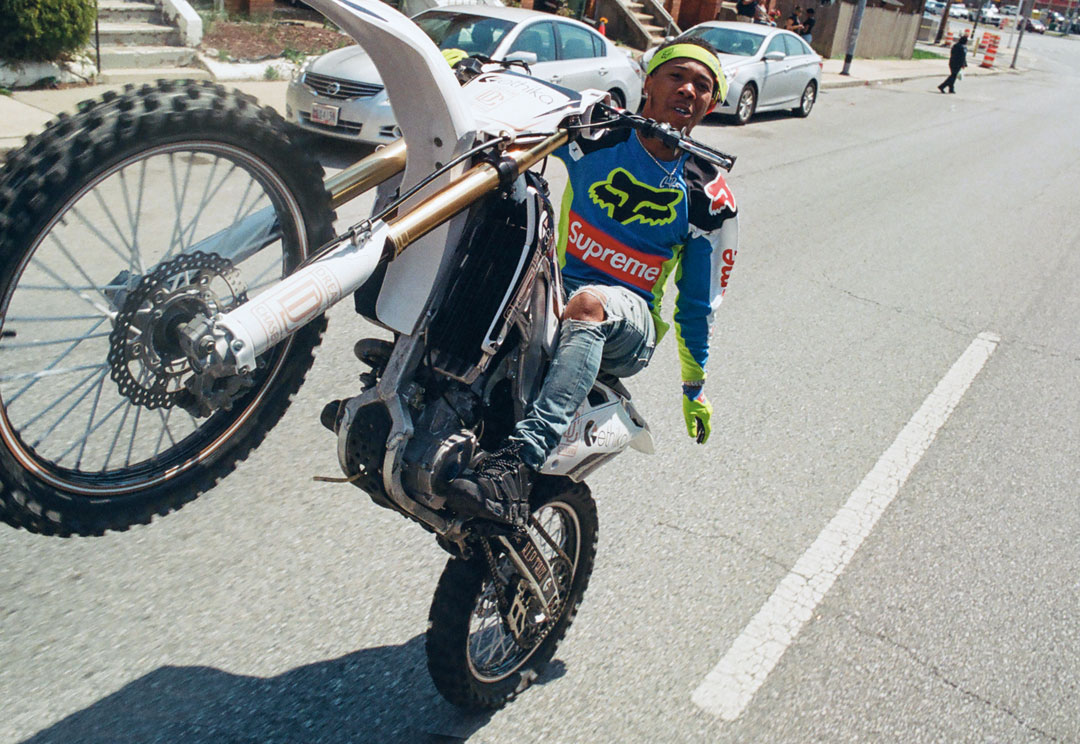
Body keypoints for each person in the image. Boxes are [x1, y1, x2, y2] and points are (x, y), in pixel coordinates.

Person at [449, 39, 740, 526]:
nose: (687, 89)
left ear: (708, 106)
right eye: (677, 75)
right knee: (494, 232)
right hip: (552, 294)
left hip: (629, 326)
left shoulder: (708, 194)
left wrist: (694, 387)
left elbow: (696, 305)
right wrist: (470, 78)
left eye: (702, 86)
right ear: (648, 83)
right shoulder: (600, 132)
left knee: (588, 302)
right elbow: (530, 115)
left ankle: (518, 462)